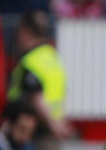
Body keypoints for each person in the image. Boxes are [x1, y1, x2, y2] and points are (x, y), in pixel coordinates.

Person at [7, 11, 69, 139]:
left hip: (33, 131)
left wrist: (53, 126)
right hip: (51, 128)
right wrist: (59, 123)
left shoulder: (30, 62)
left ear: (24, 31)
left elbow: (37, 98)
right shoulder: (51, 55)